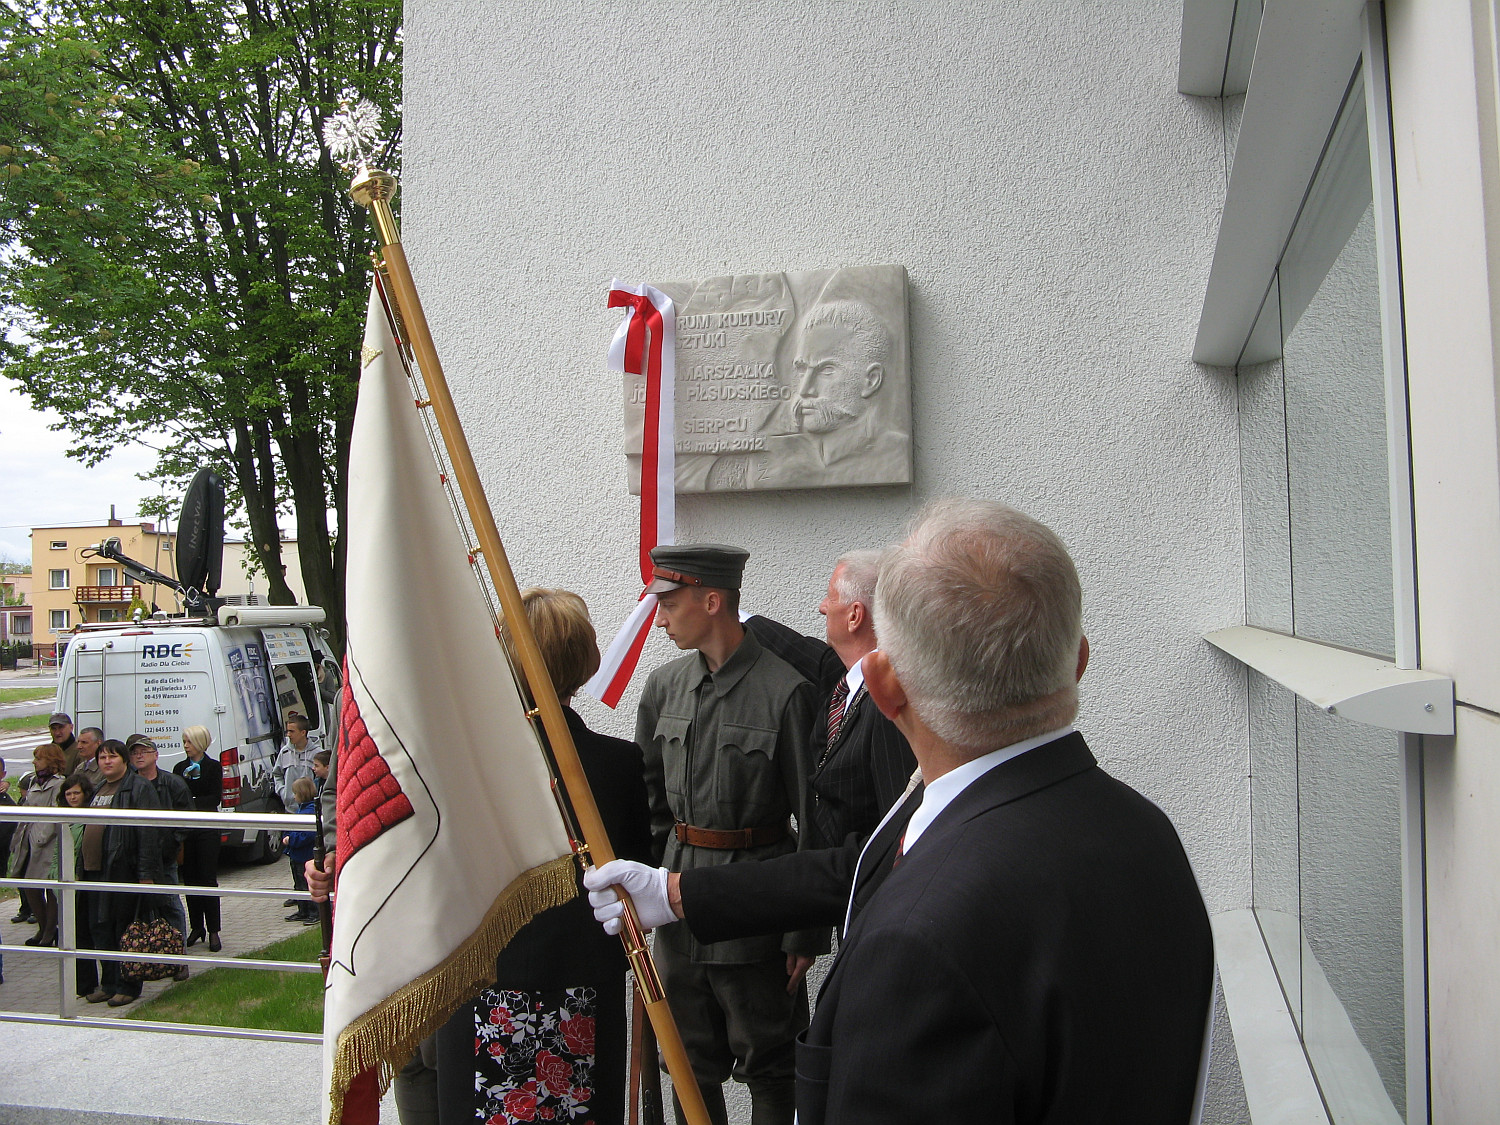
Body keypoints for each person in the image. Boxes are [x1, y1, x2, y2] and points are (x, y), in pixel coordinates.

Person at [588, 499, 1215, 1124]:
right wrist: (674, 891)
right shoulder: (1149, 834)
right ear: (1077, 663)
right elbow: (863, 863)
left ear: (884, 689)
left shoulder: (917, 941)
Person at [423, 587, 655, 1125]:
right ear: (584, 661)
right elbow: (634, 884)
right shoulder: (619, 763)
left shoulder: (463, 766)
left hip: (489, 984)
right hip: (576, 990)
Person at [635, 543, 820, 1125]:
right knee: (687, 1065)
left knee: (770, 1065)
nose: (659, 618)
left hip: (756, 911)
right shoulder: (664, 689)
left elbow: (814, 820)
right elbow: (652, 805)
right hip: (678, 908)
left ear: (711, 600)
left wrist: (803, 929)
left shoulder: (785, 692)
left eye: (668, 603)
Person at [745, 550, 916, 850]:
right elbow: (795, 647)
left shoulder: (888, 708)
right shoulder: (838, 673)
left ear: (854, 616)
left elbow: (896, 831)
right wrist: (727, 613)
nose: (822, 607)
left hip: (853, 886)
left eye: (830, 596)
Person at [86, 738, 163, 1007]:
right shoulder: (99, 788)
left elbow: (148, 832)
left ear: (124, 760)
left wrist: (146, 873)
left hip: (124, 871)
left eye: (112, 757)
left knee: (125, 929)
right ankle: (108, 984)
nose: (107, 761)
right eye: (102, 757)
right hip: (95, 872)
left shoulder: (137, 787)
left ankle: (128, 985)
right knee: (101, 929)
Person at [129, 736, 191, 972]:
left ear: (156, 755)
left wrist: (171, 844)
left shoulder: (172, 783)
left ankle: (180, 959)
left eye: (145, 751)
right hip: (135, 858)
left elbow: (187, 819)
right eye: (135, 753)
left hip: (164, 858)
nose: (139, 756)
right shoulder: (129, 785)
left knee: (171, 905)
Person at [173, 725, 224, 952]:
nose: (186, 746)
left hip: (207, 828)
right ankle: (196, 926)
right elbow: (177, 797)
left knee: (207, 877)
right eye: (184, 742)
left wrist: (191, 802)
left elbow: (214, 797)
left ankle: (214, 929)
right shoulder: (179, 768)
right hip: (187, 830)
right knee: (190, 878)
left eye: (189, 742)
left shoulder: (213, 767)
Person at [12, 743, 65, 946]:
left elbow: (55, 813)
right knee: (30, 886)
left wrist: (42, 837)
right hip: (29, 839)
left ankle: (49, 932)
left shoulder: (60, 783)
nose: (35, 762)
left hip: (48, 842)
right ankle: (43, 928)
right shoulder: (34, 781)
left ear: (51, 761)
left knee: (51, 889)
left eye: (39, 758)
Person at [58, 773, 100, 998]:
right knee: (75, 935)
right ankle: (83, 983)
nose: (72, 797)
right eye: (68, 794)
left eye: (76, 793)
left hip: (85, 881)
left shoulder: (89, 817)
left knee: (88, 931)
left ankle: (91, 982)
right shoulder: (64, 816)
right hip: (67, 882)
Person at [272, 714, 318, 812]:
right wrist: (283, 793)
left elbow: (323, 779)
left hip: (311, 810)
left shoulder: (317, 753)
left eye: (292, 731)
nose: (288, 734)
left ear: (303, 732)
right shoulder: (285, 752)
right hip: (289, 810)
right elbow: (277, 774)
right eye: (287, 731)